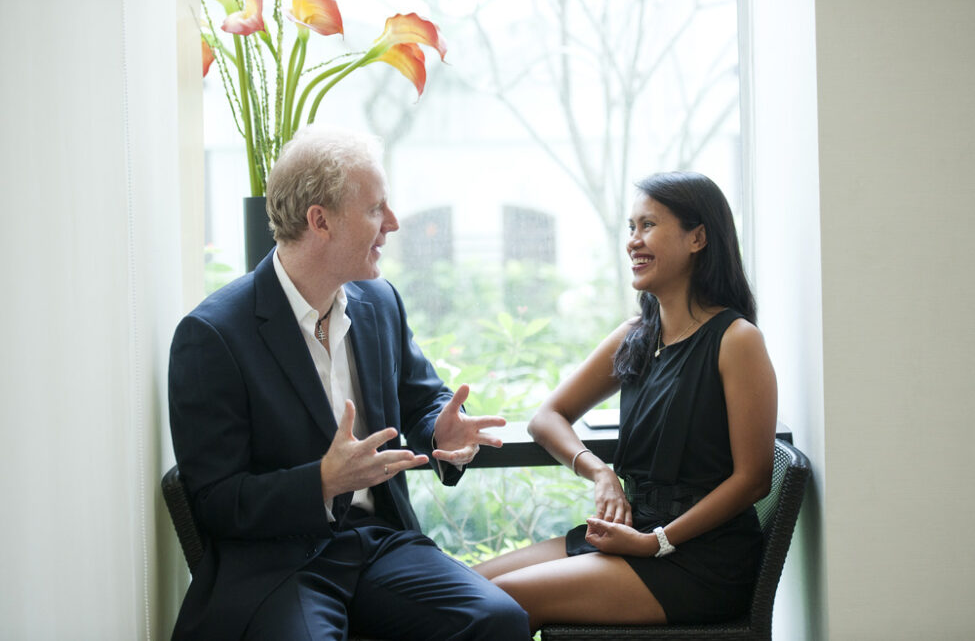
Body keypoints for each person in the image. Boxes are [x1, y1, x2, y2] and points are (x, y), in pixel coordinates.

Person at [168, 124, 530, 640]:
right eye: (375, 209)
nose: (394, 223)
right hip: (279, 563)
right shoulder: (211, 336)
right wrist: (321, 481)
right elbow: (215, 503)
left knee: (499, 620)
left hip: (379, 543)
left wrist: (441, 431)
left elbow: (422, 398)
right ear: (321, 222)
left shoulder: (379, 303)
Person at [475, 171, 777, 631]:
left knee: (497, 603)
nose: (633, 241)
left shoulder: (737, 340)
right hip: (630, 536)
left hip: (697, 562)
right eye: (630, 228)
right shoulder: (636, 335)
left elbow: (753, 479)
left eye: (648, 225)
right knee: (465, 587)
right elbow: (546, 418)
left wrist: (658, 541)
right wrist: (599, 472)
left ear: (698, 238)